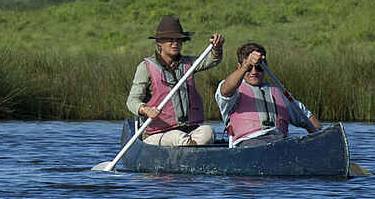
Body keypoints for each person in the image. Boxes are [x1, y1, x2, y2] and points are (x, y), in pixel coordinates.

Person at [125, 15, 225, 146]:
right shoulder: (145, 67)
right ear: (159, 43)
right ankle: (191, 149)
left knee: (208, 132)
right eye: (170, 40)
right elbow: (132, 101)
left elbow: (211, 60)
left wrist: (217, 48)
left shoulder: (189, 64)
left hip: (189, 131)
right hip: (156, 134)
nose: (175, 43)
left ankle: (191, 150)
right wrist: (146, 110)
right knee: (178, 138)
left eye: (179, 40)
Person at [215, 42, 323, 147]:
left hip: (281, 143)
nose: (254, 72)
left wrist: (320, 140)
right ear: (239, 67)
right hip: (248, 144)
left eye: (259, 67)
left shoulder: (279, 92)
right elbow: (225, 92)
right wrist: (246, 65)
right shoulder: (233, 89)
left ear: (265, 66)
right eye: (249, 68)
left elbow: (307, 117)